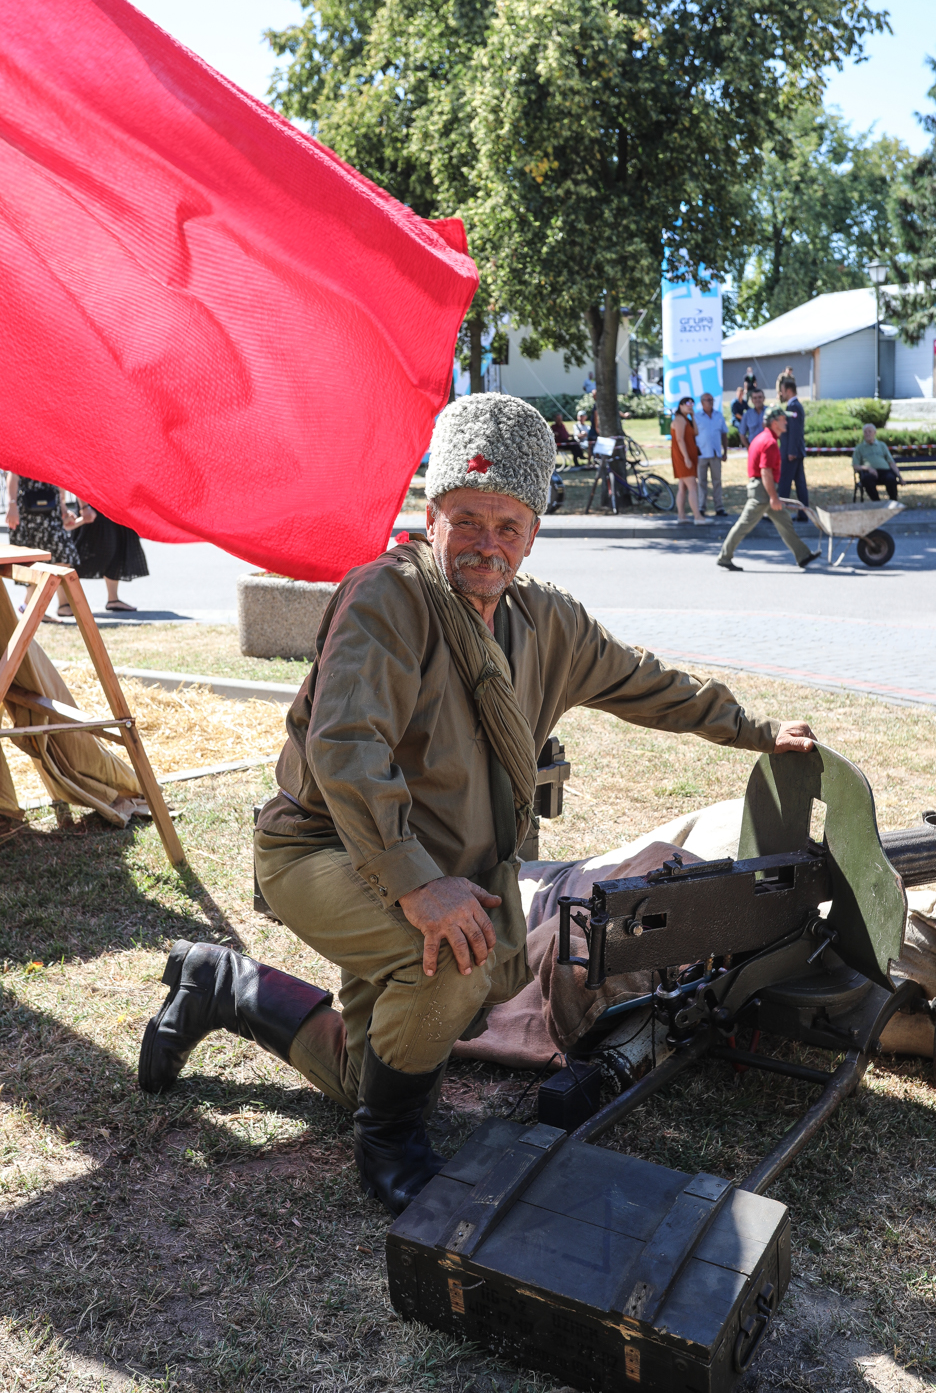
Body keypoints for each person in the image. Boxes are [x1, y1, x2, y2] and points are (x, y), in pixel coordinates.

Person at [137, 394, 817, 1217]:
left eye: (508, 526)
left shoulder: (549, 624)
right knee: (452, 965)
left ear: (534, 533)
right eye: (466, 520)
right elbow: (345, 748)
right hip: (326, 849)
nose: (485, 546)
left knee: (375, 1063)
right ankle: (389, 1144)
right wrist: (419, 886)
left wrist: (758, 732)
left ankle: (226, 985)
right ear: (432, 515)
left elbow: (650, 684)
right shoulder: (387, 598)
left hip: (436, 867)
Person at [717, 406, 820, 571]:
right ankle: (724, 556)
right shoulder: (770, 442)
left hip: (762, 487)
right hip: (762, 490)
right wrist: (773, 497)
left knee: (785, 521)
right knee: (745, 524)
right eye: (783, 419)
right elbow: (765, 472)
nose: (786, 422)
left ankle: (803, 555)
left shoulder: (762, 437)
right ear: (774, 422)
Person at [4, 473, 81, 617]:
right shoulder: (23, 451)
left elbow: (57, 478)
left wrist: (63, 507)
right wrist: (12, 504)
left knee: (64, 556)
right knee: (33, 564)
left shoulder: (53, 453)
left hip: (51, 509)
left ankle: (33, 606)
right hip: (27, 511)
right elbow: (13, 475)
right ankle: (35, 609)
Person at [72, 504, 149, 611]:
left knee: (118, 550)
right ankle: (65, 603)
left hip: (115, 507)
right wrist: (84, 507)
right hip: (96, 508)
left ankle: (113, 599)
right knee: (80, 556)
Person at [777, 375, 810, 521]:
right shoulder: (794, 406)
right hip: (795, 452)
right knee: (800, 483)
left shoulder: (793, 406)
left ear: (789, 391)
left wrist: (791, 451)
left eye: (782, 391)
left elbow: (795, 431)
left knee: (784, 483)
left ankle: (778, 514)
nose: (781, 394)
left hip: (792, 453)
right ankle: (803, 513)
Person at [670, 395, 706, 524]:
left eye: (691, 403)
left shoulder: (687, 419)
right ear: (680, 406)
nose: (690, 405)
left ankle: (681, 516)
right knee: (692, 486)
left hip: (689, 456)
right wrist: (686, 458)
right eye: (687, 403)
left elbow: (696, 432)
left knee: (683, 487)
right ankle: (697, 516)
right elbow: (679, 439)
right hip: (683, 457)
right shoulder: (679, 419)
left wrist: (693, 416)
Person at [693, 392, 729, 517]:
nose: (710, 402)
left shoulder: (718, 416)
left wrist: (725, 451)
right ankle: (701, 507)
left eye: (711, 399)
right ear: (702, 402)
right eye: (707, 400)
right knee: (701, 482)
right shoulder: (696, 417)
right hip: (701, 454)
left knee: (717, 481)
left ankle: (719, 507)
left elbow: (724, 434)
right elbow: (692, 436)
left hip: (715, 454)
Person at [852, 425, 902, 502]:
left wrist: (900, 477)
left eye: (869, 431)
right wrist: (868, 468)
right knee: (866, 480)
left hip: (884, 471)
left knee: (891, 478)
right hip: (869, 472)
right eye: (865, 432)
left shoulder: (882, 445)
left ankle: (893, 501)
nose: (867, 434)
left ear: (874, 433)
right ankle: (877, 502)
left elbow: (891, 462)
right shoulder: (859, 448)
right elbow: (855, 465)